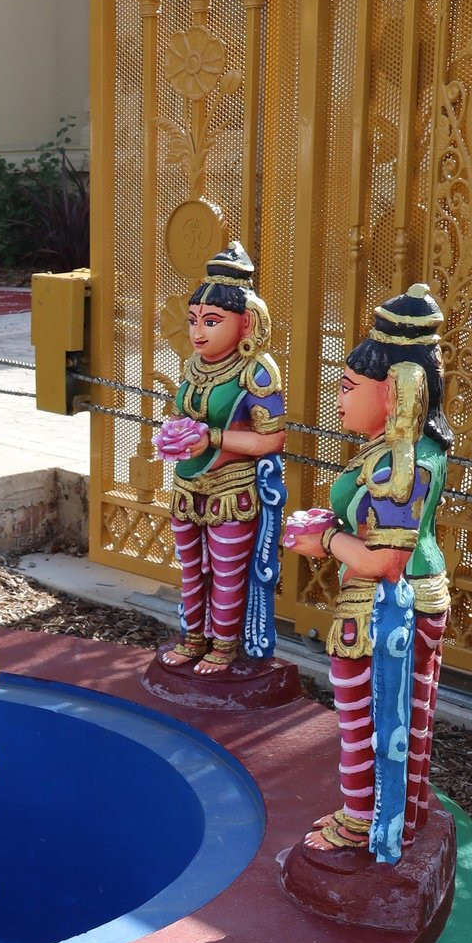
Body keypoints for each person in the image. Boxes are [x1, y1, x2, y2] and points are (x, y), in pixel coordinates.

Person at [286, 286, 451, 859]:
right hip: (393, 603)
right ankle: (391, 815)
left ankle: (368, 823)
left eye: (347, 388)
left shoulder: (405, 463)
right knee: (399, 719)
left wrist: (326, 538)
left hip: (388, 607)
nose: (336, 398)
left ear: (396, 392)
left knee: (373, 721)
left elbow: (385, 562)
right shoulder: (403, 449)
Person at [155, 240, 286, 674]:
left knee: (228, 576)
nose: (198, 333)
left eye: (211, 322)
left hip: (232, 491)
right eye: (194, 321)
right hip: (186, 487)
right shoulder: (194, 364)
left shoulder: (257, 370)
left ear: (245, 323)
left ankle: (224, 646)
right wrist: (175, 434)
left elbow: (271, 440)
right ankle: (194, 636)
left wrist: (210, 438)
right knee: (190, 571)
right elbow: (183, 412)